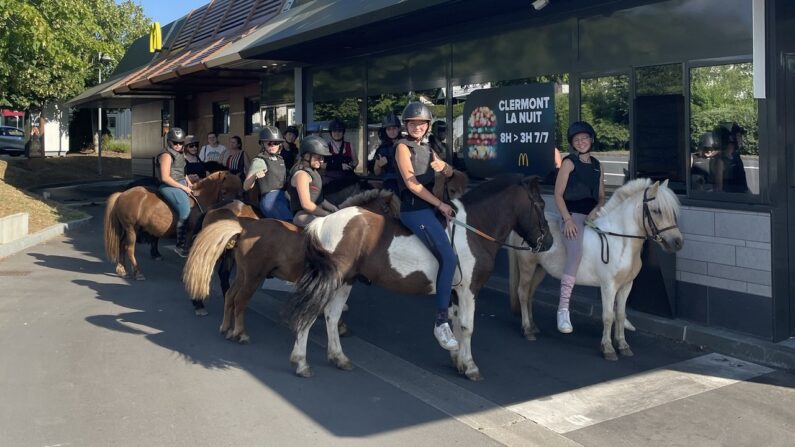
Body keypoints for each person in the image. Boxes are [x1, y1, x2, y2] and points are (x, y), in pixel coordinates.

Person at [394, 102, 458, 351]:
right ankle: (441, 321)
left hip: (429, 208)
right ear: (406, 126)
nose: (417, 127)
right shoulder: (402, 147)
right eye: (413, 123)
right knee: (449, 259)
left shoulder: (428, 147)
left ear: (428, 126)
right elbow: (412, 185)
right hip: (414, 209)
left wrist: (445, 168)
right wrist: (440, 205)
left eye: (421, 123)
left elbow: (449, 172)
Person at [553, 121, 605, 334]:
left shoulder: (597, 164)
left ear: (591, 139)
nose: (581, 142)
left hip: (593, 215)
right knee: (575, 253)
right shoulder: (568, 163)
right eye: (577, 140)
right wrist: (567, 220)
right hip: (572, 215)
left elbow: (601, 195)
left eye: (584, 138)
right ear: (573, 144)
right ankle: (563, 308)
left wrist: (598, 208)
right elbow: (558, 194)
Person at [287, 135, 340, 228]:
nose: (322, 161)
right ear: (307, 155)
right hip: (303, 215)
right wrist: (327, 214)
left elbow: (320, 199)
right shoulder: (301, 174)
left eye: (323, 158)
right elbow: (306, 204)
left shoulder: (314, 172)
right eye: (318, 157)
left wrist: (335, 209)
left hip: (316, 212)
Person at [157, 128, 193, 258]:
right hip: (169, 186)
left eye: (181, 143)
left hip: (181, 183)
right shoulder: (166, 155)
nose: (178, 145)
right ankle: (180, 245)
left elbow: (182, 171)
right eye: (175, 143)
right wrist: (183, 188)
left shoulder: (181, 153)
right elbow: (165, 177)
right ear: (169, 142)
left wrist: (188, 181)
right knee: (185, 211)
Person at [243, 126, 293, 221]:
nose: (273, 145)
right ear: (263, 144)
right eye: (269, 143)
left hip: (284, 196)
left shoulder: (280, 159)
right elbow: (246, 186)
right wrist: (254, 176)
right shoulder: (259, 161)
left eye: (276, 143)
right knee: (290, 225)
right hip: (270, 200)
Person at [712, 123, 750, 193]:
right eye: (738, 135)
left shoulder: (736, 157)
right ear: (730, 138)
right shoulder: (720, 161)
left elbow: (743, 185)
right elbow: (718, 190)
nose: (741, 138)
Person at [373, 114, 402, 192]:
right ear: (385, 131)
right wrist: (379, 165)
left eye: (394, 128)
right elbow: (376, 172)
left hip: (405, 181)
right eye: (389, 129)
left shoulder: (406, 144)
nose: (392, 131)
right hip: (390, 183)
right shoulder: (381, 149)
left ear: (399, 129)